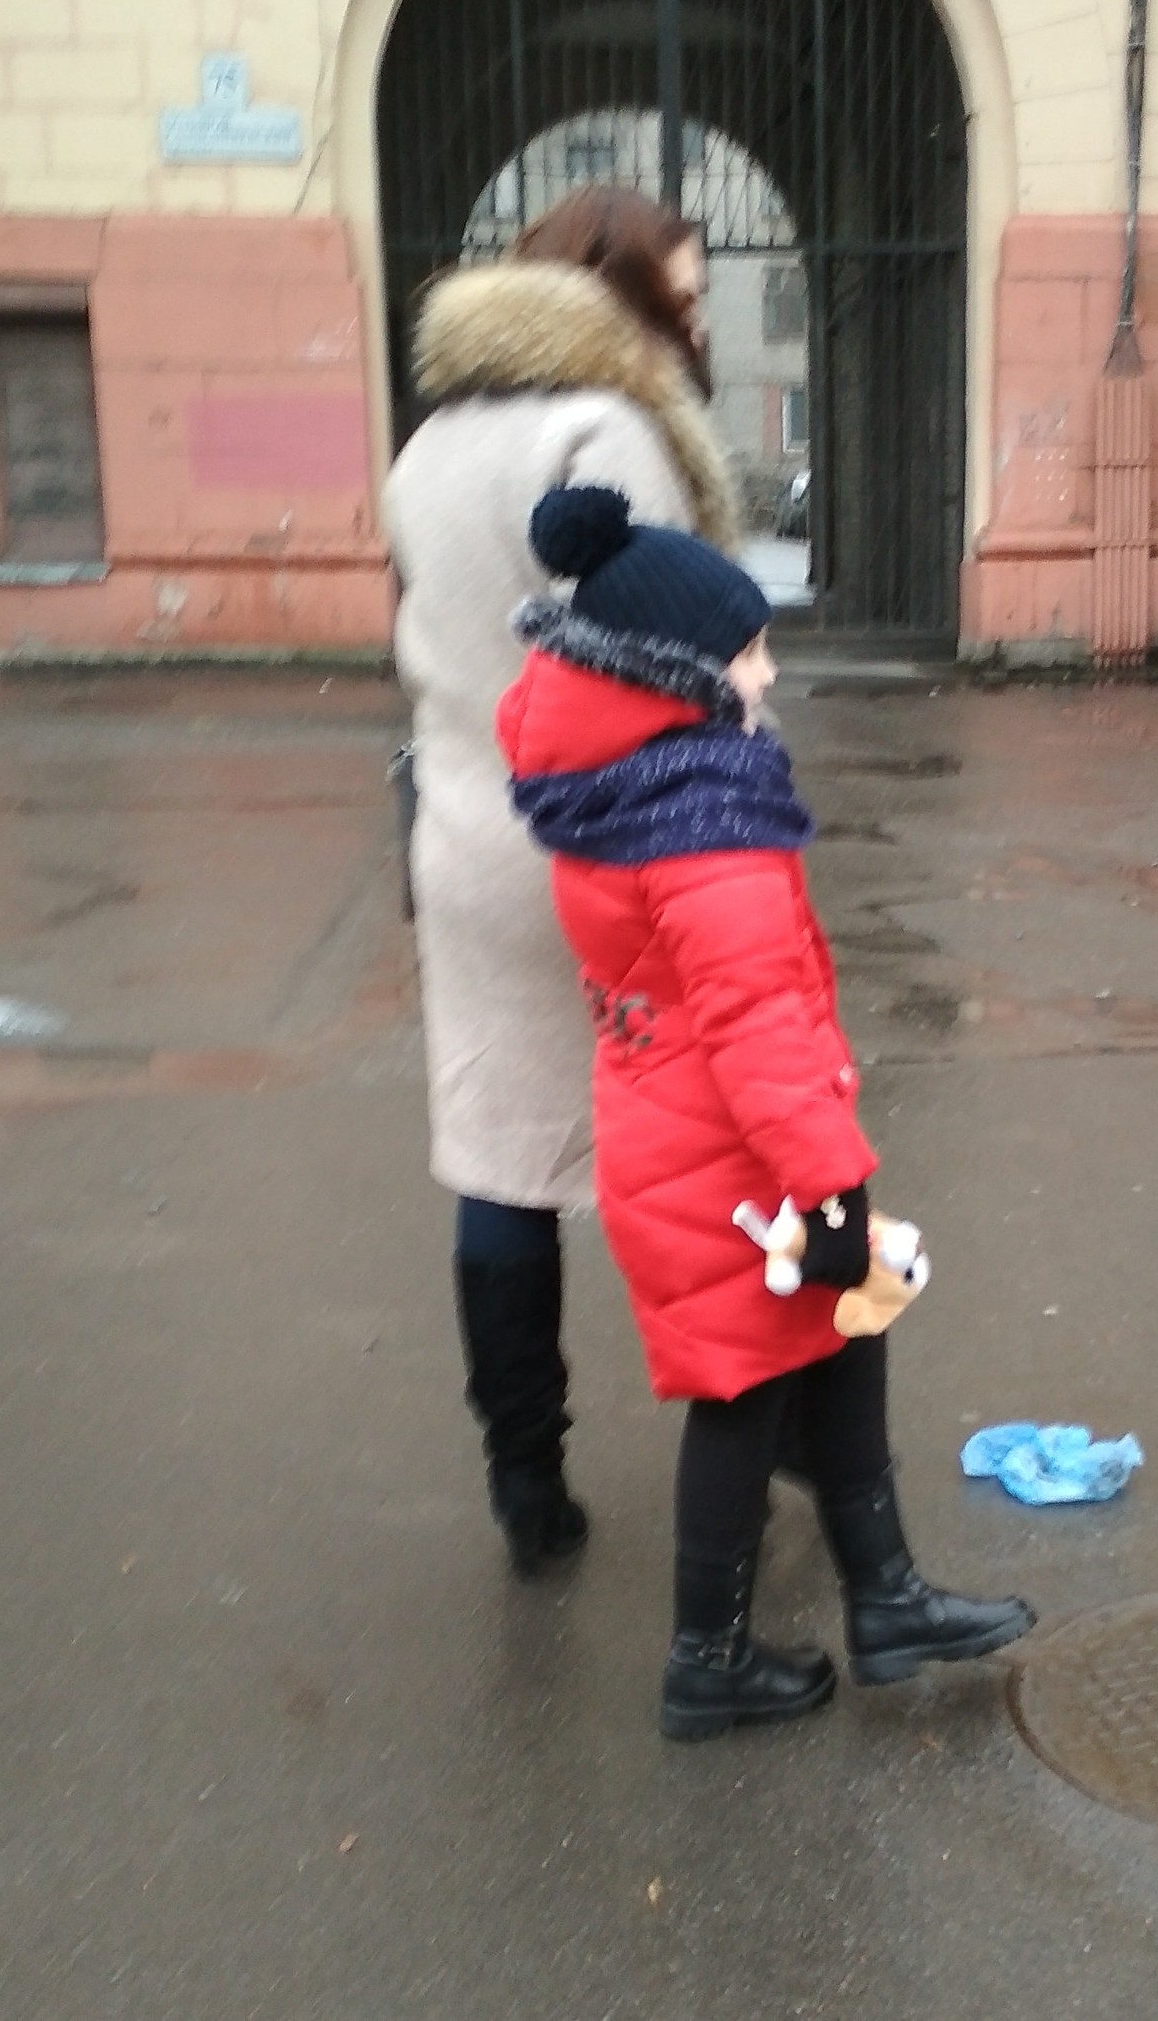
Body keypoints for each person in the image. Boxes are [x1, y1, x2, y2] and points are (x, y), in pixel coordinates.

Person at [496, 485, 1035, 1739]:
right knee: (742, 1393)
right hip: (730, 1163)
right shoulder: (706, 822)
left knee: (848, 1327)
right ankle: (709, 1658)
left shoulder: (622, 790)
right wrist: (830, 1186)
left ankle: (886, 1596)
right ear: (683, 676)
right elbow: (757, 1030)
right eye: (749, 650)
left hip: (677, 1142)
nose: (770, 667)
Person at [382, 188, 740, 1577]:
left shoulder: (429, 446)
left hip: (467, 841)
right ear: (617, 292)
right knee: (704, 1146)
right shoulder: (605, 434)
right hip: (615, 847)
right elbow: (663, 668)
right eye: (685, 298)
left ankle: (525, 1481)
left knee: (500, 1156)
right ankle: (743, 1433)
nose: (696, 320)